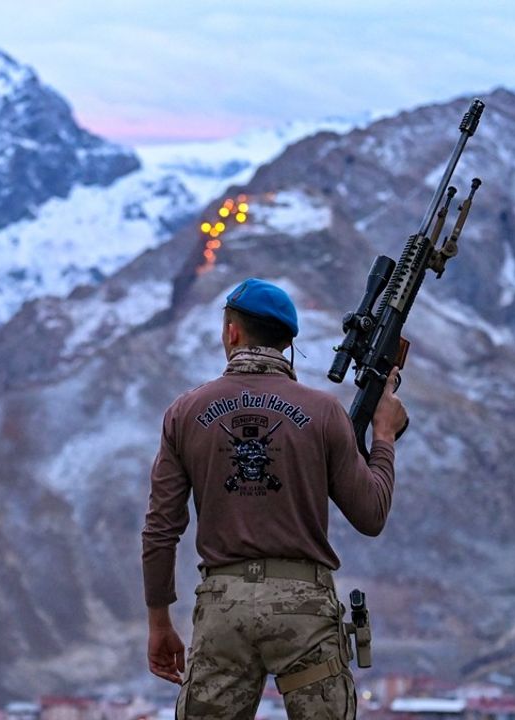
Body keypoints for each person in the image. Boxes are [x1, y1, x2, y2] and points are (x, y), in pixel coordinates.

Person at [141, 278, 408, 720]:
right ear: (288, 343)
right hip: (305, 610)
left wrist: (158, 622)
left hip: (223, 610)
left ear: (231, 333)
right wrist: (383, 436)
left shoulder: (184, 413)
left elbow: (160, 531)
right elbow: (371, 514)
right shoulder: (325, 413)